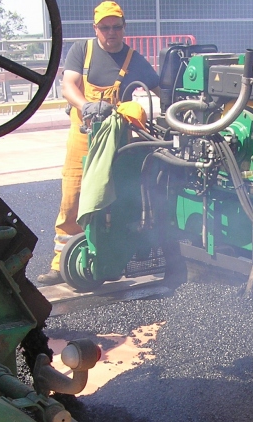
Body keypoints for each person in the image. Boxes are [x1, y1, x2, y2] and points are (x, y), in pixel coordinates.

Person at [37, 1, 160, 285]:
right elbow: (68, 86)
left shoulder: (134, 60)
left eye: (116, 27)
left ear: (124, 28)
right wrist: (86, 105)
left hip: (117, 143)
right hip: (83, 138)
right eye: (105, 27)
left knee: (115, 200)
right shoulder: (82, 51)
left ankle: (110, 260)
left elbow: (159, 92)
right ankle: (60, 264)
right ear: (96, 28)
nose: (111, 32)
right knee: (72, 198)